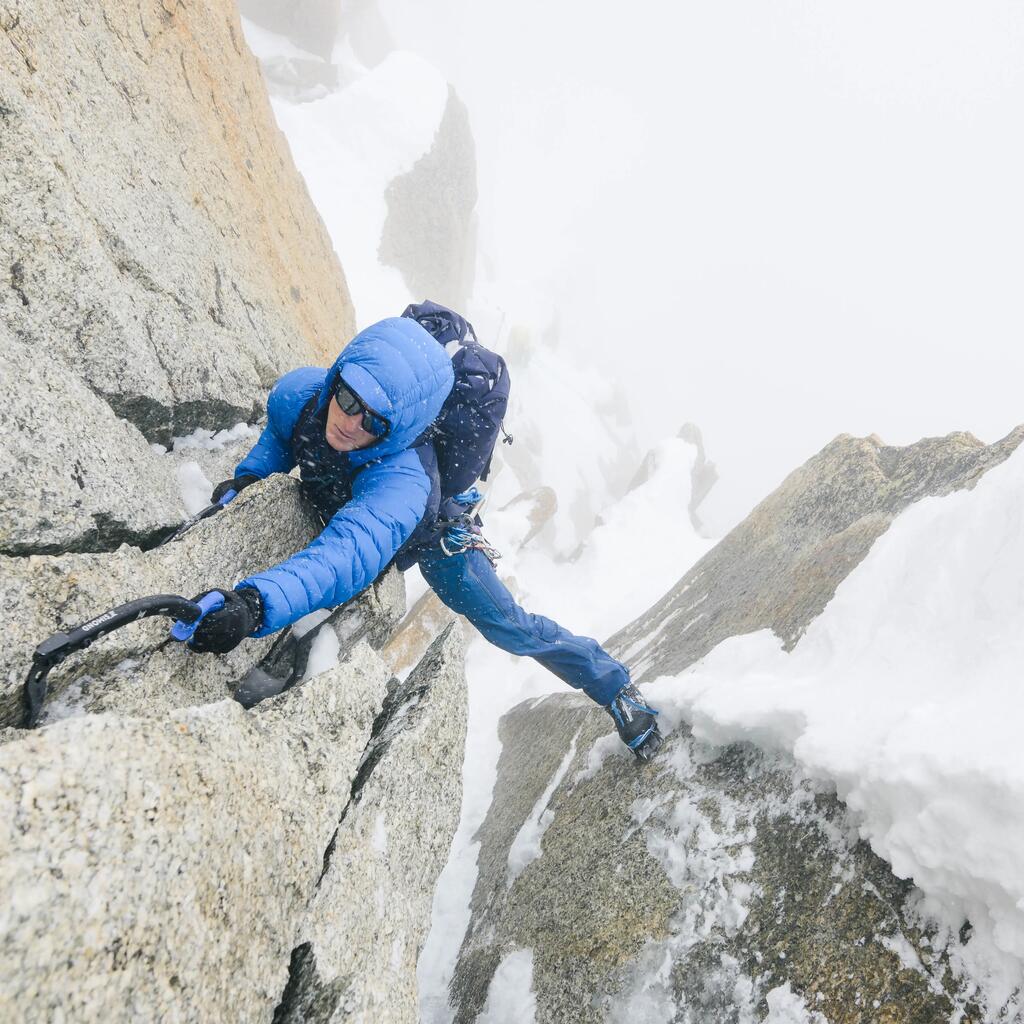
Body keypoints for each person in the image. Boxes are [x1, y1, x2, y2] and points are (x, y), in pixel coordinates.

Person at [189, 307, 663, 760]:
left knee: (510, 628)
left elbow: (347, 554)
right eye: (349, 398)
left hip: (436, 540)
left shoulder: (403, 482)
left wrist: (254, 604)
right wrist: (249, 480)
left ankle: (615, 687)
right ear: (336, 375)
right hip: (355, 502)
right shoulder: (301, 393)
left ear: (398, 430)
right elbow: (279, 436)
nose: (350, 422)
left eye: (375, 421)